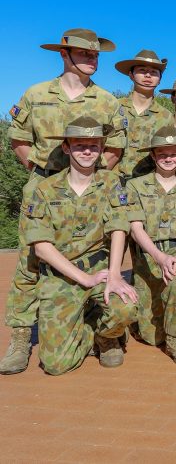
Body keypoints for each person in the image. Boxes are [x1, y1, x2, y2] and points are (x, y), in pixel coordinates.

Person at [2, 28, 127, 375]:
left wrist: (93, 175)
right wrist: (43, 173)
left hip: (90, 188)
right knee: (29, 263)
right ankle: (20, 338)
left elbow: (115, 146)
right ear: (64, 54)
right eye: (85, 54)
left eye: (96, 55)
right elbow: (19, 140)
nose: (92, 60)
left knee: (95, 251)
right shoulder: (37, 94)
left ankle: (104, 329)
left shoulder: (106, 100)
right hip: (44, 189)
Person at [23, 117, 137, 375]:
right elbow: (41, 247)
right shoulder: (44, 189)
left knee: (126, 306)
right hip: (61, 276)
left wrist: (116, 275)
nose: (87, 151)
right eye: (79, 145)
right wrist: (84, 279)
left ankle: (107, 336)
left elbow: (119, 227)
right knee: (55, 365)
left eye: (94, 146)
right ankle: (90, 330)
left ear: (101, 149)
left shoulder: (110, 183)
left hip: (100, 269)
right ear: (66, 148)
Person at [124, 126, 176, 365]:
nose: (168, 159)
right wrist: (158, 257)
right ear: (153, 156)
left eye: (173, 153)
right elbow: (135, 226)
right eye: (162, 154)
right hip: (148, 253)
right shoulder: (135, 186)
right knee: (151, 335)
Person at [114, 50, 172, 183]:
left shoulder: (166, 116)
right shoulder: (114, 107)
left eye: (153, 72)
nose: (148, 75)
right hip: (111, 180)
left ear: (159, 79)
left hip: (147, 185)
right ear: (131, 75)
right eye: (142, 70)